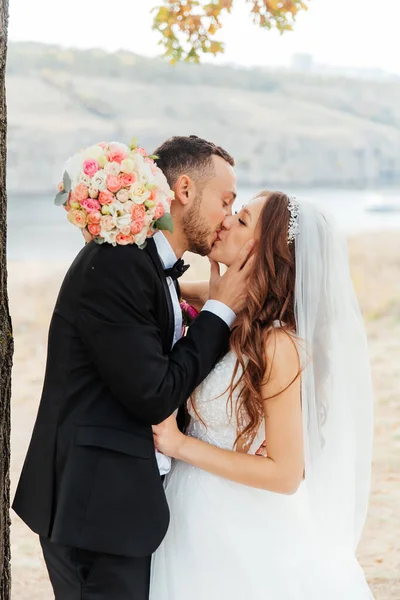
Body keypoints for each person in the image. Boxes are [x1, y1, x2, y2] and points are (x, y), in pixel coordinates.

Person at [12, 135, 254, 600]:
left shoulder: (148, 267)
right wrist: (220, 313)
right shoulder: (119, 265)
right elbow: (154, 394)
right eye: (225, 202)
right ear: (184, 189)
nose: (228, 217)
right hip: (94, 514)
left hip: (119, 511)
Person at [150, 191, 375, 600]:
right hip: (190, 516)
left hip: (239, 525)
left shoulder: (278, 345)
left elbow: (286, 474)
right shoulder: (235, 316)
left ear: (265, 253)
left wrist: (180, 445)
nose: (226, 222)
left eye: (241, 220)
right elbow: (166, 290)